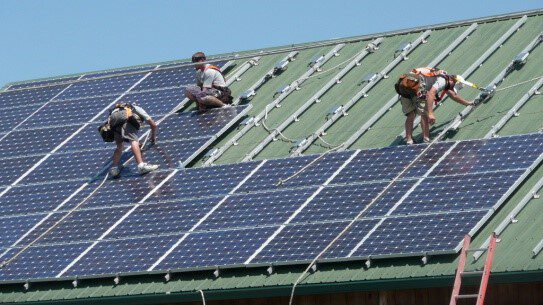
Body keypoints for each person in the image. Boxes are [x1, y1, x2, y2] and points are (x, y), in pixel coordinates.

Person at [395, 67, 473, 144]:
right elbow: (431, 93)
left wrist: (468, 103)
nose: (452, 89)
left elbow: (453, 96)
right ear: (453, 81)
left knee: (410, 115)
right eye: (453, 87)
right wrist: (430, 113)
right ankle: (426, 139)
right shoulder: (443, 80)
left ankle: (409, 140)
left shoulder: (441, 75)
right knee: (424, 114)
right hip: (418, 89)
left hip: (404, 90)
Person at [108, 103, 159, 178]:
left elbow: (124, 133)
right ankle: (141, 166)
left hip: (113, 121)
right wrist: (153, 137)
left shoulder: (118, 108)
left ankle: (113, 169)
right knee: (133, 140)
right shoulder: (137, 108)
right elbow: (153, 125)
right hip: (125, 120)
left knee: (119, 146)